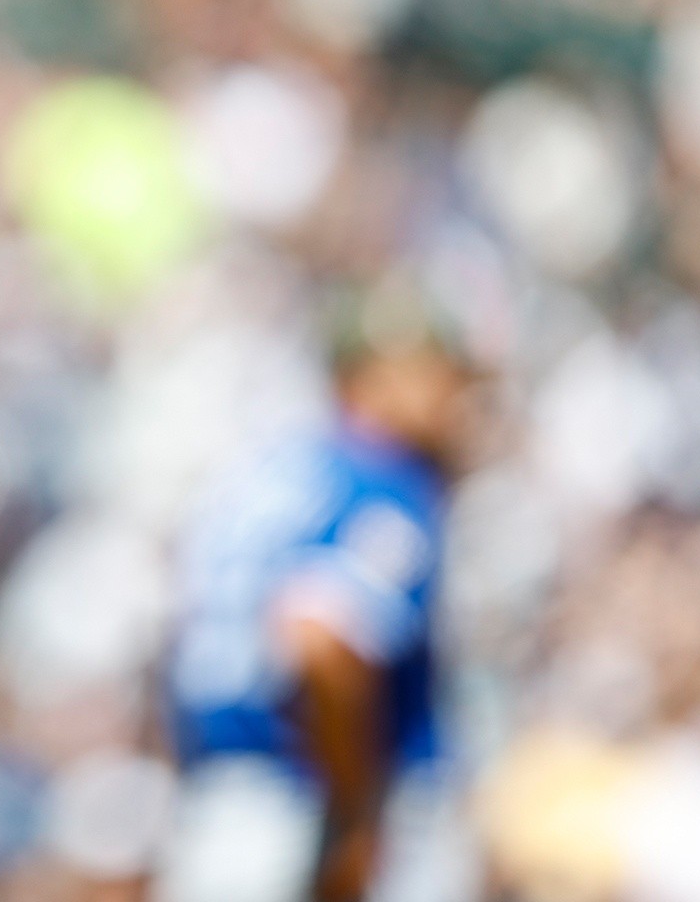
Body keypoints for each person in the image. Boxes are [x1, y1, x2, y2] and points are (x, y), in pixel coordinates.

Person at [163, 332, 471, 902]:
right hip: (306, 802)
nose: (459, 399)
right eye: (438, 371)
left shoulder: (259, 476)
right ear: (365, 379)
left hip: (222, 802)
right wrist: (353, 807)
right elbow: (318, 637)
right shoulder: (381, 479)